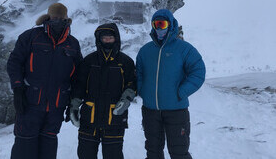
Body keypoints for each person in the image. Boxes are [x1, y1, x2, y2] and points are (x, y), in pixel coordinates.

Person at [7, 3, 83, 159]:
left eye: (62, 17)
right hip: (30, 103)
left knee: (48, 148)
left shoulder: (72, 44)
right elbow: (14, 62)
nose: (58, 20)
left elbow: (78, 75)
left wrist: (72, 102)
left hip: (56, 107)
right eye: (55, 16)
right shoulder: (31, 36)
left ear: (66, 19)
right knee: (24, 147)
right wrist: (18, 89)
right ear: (48, 17)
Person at [136, 9, 205, 159]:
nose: (159, 28)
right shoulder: (145, 51)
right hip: (150, 110)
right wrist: (142, 90)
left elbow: (198, 71)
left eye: (163, 24)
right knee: (153, 151)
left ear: (171, 25)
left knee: (179, 151)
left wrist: (182, 92)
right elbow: (138, 73)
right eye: (156, 24)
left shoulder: (184, 49)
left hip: (176, 111)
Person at [69, 23, 136, 159]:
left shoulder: (126, 62)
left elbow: (132, 84)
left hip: (115, 117)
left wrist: (126, 100)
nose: (107, 41)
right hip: (89, 116)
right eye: (104, 38)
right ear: (98, 39)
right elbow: (79, 85)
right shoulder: (89, 61)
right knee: (85, 154)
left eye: (110, 38)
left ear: (116, 39)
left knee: (113, 155)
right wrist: (74, 105)